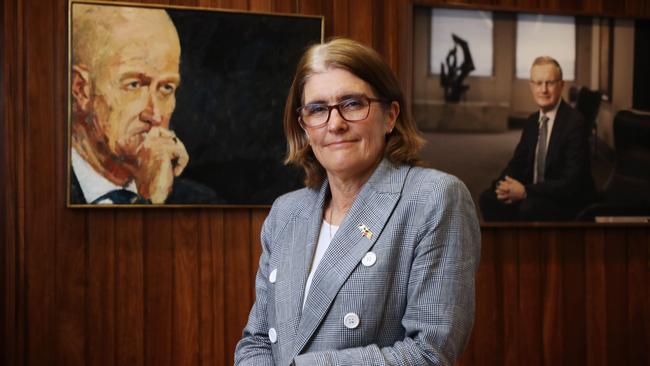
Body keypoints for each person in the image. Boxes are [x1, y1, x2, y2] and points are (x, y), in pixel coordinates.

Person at [234, 38, 481, 366]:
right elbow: (258, 340)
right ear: (305, 127)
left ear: (390, 116)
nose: (334, 123)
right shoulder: (286, 212)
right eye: (318, 109)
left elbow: (430, 353)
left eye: (352, 104)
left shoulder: (435, 198)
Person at [69, 4, 218, 204]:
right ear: (80, 89)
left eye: (166, 88)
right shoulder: (37, 191)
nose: (155, 114)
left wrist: (154, 200)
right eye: (134, 85)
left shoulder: (200, 202)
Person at [479, 56, 596, 221]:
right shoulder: (532, 121)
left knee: (529, 208)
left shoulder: (575, 123)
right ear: (531, 86)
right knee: (488, 199)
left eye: (550, 83)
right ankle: (512, 246)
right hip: (535, 192)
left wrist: (526, 191)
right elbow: (517, 163)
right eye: (538, 83)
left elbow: (572, 182)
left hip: (566, 199)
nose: (543, 90)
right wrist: (501, 186)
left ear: (561, 85)